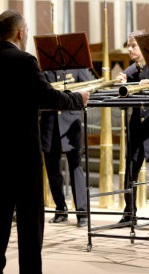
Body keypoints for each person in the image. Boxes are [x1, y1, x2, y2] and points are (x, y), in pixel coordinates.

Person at [0, 10, 89, 273]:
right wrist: (78, 99)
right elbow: (48, 96)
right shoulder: (26, 61)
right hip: (24, 155)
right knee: (30, 223)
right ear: (21, 32)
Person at [117, 30, 149, 230]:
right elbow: (121, 104)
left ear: (145, 47)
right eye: (128, 45)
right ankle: (129, 213)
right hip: (137, 127)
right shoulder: (130, 71)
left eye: (134, 45)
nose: (129, 49)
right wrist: (123, 86)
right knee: (130, 172)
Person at [40, 69, 90, 227]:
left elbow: (87, 90)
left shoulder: (77, 68)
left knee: (76, 167)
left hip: (71, 126)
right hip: (50, 125)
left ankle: (82, 212)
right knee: (52, 169)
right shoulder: (44, 69)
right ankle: (61, 209)